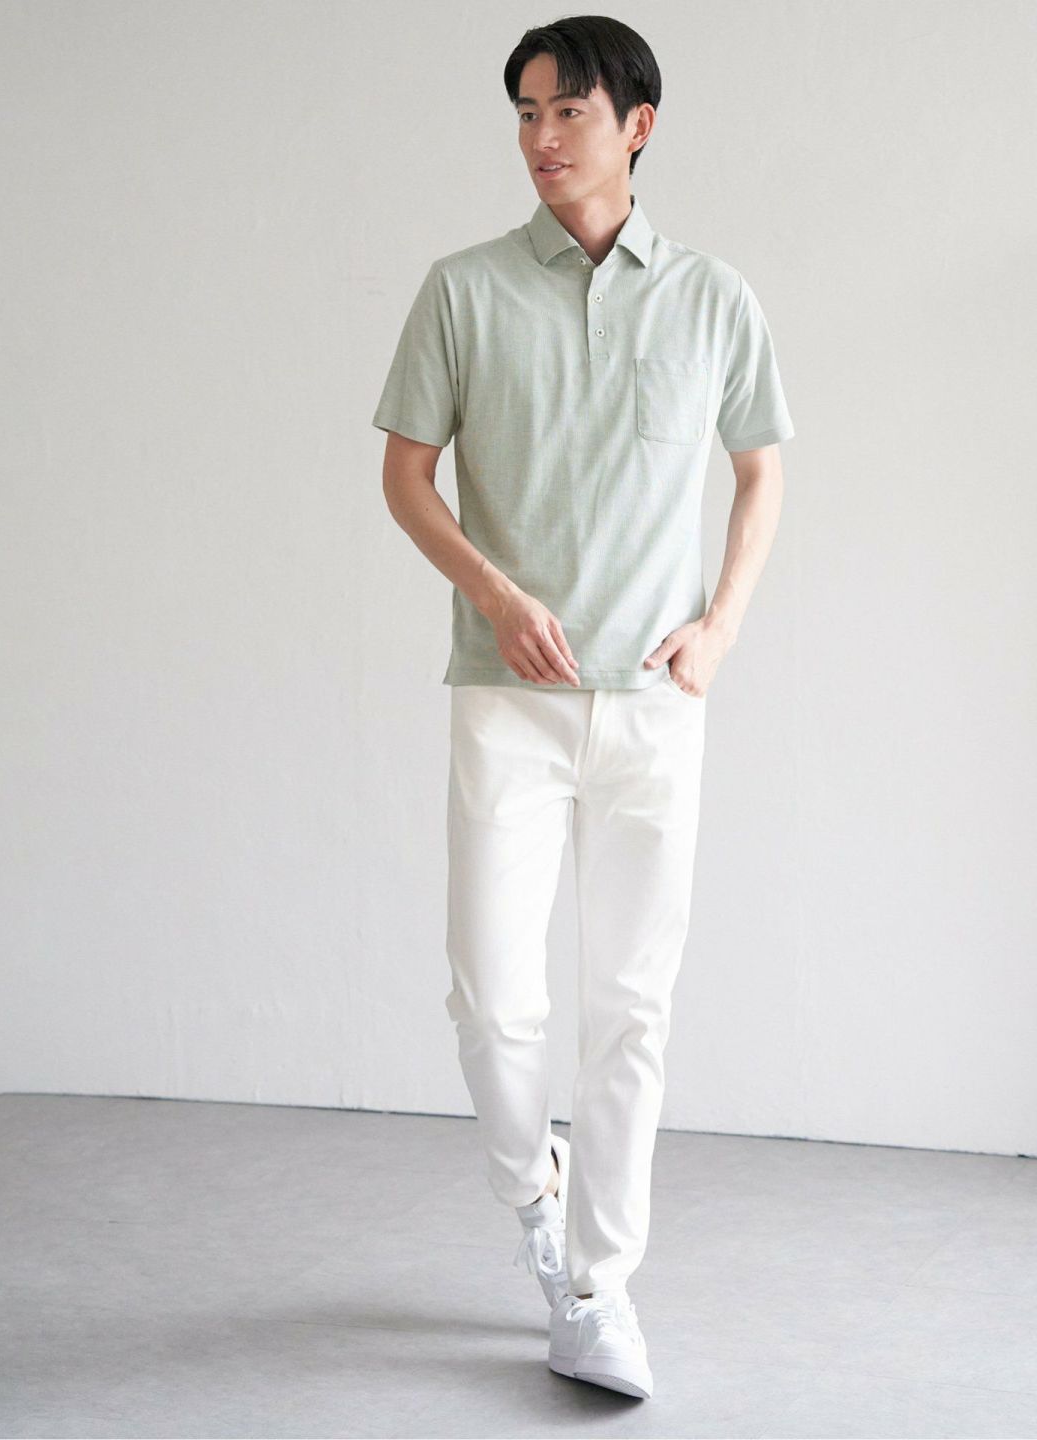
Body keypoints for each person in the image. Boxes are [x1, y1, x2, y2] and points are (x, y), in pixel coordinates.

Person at [371, 14, 795, 1401]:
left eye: (568, 112)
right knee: (493, 1000)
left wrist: (721, 626)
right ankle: (533, 1193)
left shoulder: (715, 297)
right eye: (525, 113)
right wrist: (496, 595)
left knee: (631, 1007)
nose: (541, 138)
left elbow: (761, 469)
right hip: (510, 697)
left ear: (637, 126)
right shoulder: (464, 290)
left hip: (657, 704)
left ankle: (600, 1285)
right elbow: (407, 478)